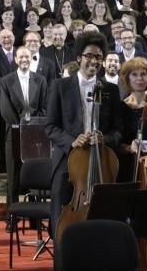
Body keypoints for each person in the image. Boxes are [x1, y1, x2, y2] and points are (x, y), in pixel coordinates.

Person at [45, 31, 122, 260]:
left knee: (100, 222)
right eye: (90, 56)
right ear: (79, 57)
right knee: (63, 223)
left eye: (99, 58)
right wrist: (72, 141)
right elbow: (50, 127)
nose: (94, 62)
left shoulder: (111, 90)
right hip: (67, 163)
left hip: (99, 161)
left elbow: (118, 130)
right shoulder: (60, 86)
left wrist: (105, 139)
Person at [0, 45, 48, 207]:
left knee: (35, 174)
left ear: (31, 58)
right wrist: (21, 127)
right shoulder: (6, 81)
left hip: (35, 134)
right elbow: (6, 110)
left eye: (27, 56)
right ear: (15, 59)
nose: (24, 60)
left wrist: (32, 125)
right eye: (21, 57)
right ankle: (11, 218)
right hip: (13, 133)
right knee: (13, 176)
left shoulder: (40, 80)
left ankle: (35, 219)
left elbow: (44, 107)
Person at [117, 57, 147, 182]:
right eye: (134, 74)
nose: (139, 78)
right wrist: (129, 148)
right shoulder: (120, 107)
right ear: (128, 78)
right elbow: (116, 140)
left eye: (143, 74)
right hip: (126, 165)